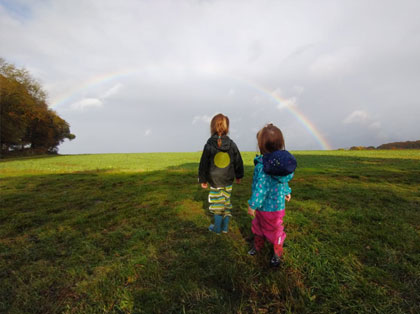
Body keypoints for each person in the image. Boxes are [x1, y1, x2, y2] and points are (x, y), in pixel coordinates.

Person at [247, 123, 297, 267]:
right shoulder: (280, 164)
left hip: (265, 207)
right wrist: (287, 192)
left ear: (261, 145)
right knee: (262, 226)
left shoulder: (263, 166)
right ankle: (258, 246)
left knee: (272, 230)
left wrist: (252, 205)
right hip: (277, 206)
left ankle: (277, 252)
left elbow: (260, 188)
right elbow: (282, 180)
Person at [198, 113, 244, 234]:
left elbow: (203, 164)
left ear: (212, 127)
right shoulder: (232, 144)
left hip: (215, 181)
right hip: (228, 180)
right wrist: (239, 176)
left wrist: (203, 179)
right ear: (227, 128)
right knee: (226, 202)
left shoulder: (209, 144)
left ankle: (217, 228)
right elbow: (238, 161)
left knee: (217, 203)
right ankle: (224, 228)